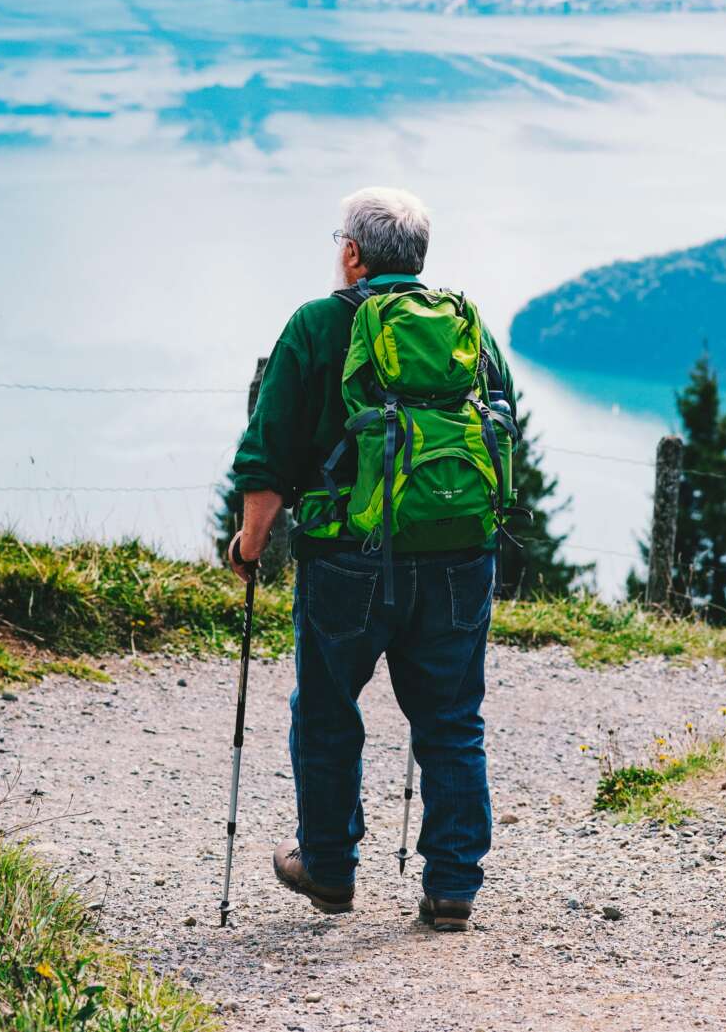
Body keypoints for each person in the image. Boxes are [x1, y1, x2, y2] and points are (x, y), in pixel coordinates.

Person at [228, 186, 515, 933]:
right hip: (458, 554)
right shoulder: (466, 328)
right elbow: (502, 423)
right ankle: (452, 886)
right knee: (451, 717)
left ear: (353, 254)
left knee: (327, 711)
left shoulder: (318, 325)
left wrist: (251, 544)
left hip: (346, 561)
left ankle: (328, 868)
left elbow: (269, 451)